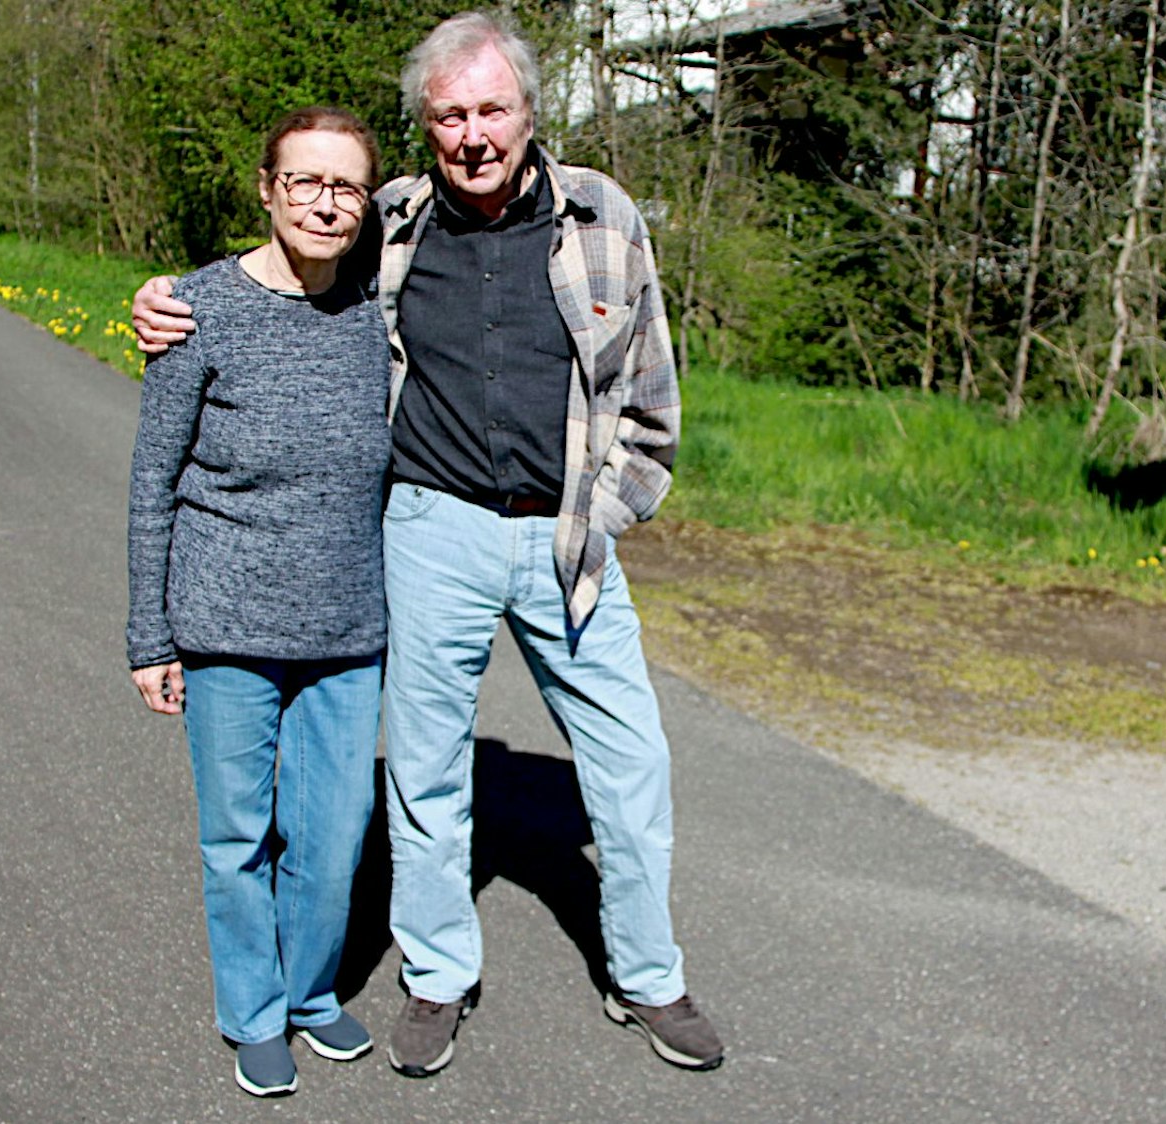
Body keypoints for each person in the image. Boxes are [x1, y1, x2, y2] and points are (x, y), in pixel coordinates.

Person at [133, 11, 724, 1078]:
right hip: (430, 527)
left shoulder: (604, 212)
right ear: (426, 127)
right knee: (426, 769)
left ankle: (647, 973)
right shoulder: (391, 217)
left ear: (529, 113)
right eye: (448, 115)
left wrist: (609, 509)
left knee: (633, 761)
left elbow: (651, 398)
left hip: (566, 532)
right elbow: (289, 249)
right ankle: (437, 973)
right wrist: (168, 301)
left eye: (491, 108)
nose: (472, 133)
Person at [126, 106, 390, 1098]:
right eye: (307, 181)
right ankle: (252, 1009)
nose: (327, 201)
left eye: (347, 186)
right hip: (223, 624)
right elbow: (151, 484)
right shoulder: (195, 309)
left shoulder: (376, 308)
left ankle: (312, 991)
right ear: (268, 188)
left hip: (348, 627)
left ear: (366, 201)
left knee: (333, 835)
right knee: (238, 835)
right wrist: (148, 633)